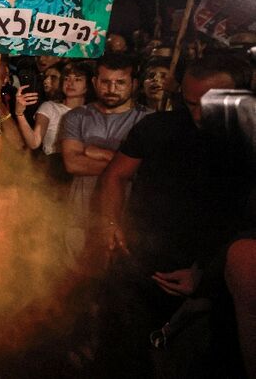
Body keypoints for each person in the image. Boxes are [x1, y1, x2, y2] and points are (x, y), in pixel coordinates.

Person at [96, 55, 252, 377]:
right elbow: (113, 176)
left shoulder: (249, 142)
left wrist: (206, 275)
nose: (198, 114)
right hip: (139, 267)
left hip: (211, 284)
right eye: (189, 102)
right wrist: (110, 224)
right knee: (120, 358)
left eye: (210, 104)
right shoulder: (157, 127)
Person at [60, 52, 149, 270]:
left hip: (126, 219)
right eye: (105, 82)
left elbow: (147, 171)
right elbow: (73, 164)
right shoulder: (76, 117)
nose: (112, 89)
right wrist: (125, 165)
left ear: (134, 84)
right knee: (76, 284)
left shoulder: (148, 120)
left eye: (120, 83)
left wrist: (94, 152)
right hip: (80, 217)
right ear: (94, 82)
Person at [13, 60, 92, 194]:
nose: (70, 83)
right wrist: (19, 113)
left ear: (88, 86)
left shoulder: (93, 112)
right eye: (66, 78)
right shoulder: (50, 107)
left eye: (77, 79)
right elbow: (34, 142)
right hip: (53, 171)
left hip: (85, 174)